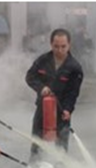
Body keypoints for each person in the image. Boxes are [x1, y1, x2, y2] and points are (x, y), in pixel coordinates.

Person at [25, 29, 84, 157]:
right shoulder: (43, 60)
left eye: (63, 47)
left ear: (69, 45)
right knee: (37, 143)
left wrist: (68, 110)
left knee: (61, 147)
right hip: (43, 109)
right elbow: (30, 77)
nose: (60, 50)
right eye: (56, 46)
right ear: (51, 44)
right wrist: (41, 88)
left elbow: (73, 93)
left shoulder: (75, 68)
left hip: (61, 111)